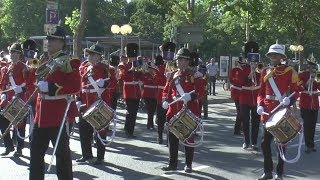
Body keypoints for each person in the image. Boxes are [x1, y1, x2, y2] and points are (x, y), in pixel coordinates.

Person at [29, 26, 81, 180]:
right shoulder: (44, 60)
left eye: (53, 39)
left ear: (61, 43)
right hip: (41, 115)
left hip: (59, 116)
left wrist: (51, 88)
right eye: (48, 39)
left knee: (62, 156)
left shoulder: (70, 62)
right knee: (35, 154)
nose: (49, 42)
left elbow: (75, 87)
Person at [256, 43, 302, 180]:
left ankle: (279, 173)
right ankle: (267, 171)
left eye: (276, 55)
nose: (273, 57)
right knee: (265, 143)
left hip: (281, 110)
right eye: (271, 55)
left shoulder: (289, 71)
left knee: (281, 144)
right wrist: (259, 105)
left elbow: (297, 91)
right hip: (267, 111)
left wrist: (290, 100)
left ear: (281, 57)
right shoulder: (265, 71)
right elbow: (260, 92)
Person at [161, 48, 205, 173]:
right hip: (173, 110)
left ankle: (188, 164)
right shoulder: (173, 75)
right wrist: (164, 100)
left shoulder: (194, 75)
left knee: (188, 138)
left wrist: (191, 96)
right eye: (181, 60)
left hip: (189, 111)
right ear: (177, 61)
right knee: (173, 139)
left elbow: (201, 92)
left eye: (185, 60)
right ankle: (172, 163)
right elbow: (166, 91)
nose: (183, 62)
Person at [76, 44, 117, 165]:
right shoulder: (84, 68)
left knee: (101, 130)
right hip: (85, 103)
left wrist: (104, 84)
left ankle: (100, 157)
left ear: (99, 56)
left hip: (100, 102)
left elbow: (114, 83)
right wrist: (78, 98)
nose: (90, 56)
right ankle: (86, 155)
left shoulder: (107, 69)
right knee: (84, 130)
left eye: (93, 54)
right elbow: (80, 85)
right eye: (89, 54)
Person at [0, 43, 28, 156]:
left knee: (19, 124)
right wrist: (2, 93)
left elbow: (28, 83)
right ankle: (9, 146)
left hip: (18, 98)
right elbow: (3, 83)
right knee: (2, 121)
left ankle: (19, 149)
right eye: (11, 52)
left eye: (15, 52)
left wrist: (21, 88)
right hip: (6, 99)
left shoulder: (23, 67)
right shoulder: (7, 67)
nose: (12, 54)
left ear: (19, 54)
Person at [118, 43, 142, 138]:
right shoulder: (123, 66)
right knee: (130, 111)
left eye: (134, 57)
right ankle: (128, 130)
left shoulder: (137, 64)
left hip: (136, 92)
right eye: (132, 57)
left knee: (134, 112)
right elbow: (123, 76)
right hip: (128, 91)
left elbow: (140, 77)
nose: (133, 59)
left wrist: (141, 70)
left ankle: (130, 130)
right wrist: (131, 69)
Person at [238, 57, 261, 150]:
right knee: (245, 121)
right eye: (251, 61)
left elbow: (262, 82)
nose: (253, 63)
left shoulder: (259, 70)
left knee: (256, 122)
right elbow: (241, 82)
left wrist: (258, 71)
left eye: (254, 62)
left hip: (255, 99)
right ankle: (246, 141)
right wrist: (251, 73)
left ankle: (254, 142)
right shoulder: (242, 70)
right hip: (244, 99)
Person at [298, 57, 319, 153]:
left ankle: (312, 144)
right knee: (307, 125)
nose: (312, 68)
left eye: (314, 66)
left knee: (313, 125)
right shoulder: (302, 74)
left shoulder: (318, 76)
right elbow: (298, 87)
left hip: (314, 103)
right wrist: (307, 82)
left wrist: (315, 80)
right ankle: (307, 145)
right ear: (308, 66)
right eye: (311, 66)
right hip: (305, 103)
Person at [229, 57, 243, 135]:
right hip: (236, 92)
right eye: (239, 63)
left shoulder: (245, 70)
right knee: (240, 111)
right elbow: (232, 80)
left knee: (242, 111)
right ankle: (237, 129)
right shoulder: (234, 70)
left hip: (243, 92)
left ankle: (241, 127)